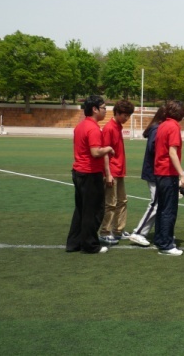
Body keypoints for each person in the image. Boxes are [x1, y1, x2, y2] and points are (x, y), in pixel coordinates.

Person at [65, 95, 114, 254]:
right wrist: (108, 149)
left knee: (81, 210)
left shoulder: (80, 126)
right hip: (89, 174)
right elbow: (95, 152)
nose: (105, 111)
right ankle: (90, 245)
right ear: (95, 109)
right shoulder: (93, 129)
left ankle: (74, 243)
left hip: (79, 172)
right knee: (93, 211)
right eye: (104, 108)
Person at [153, 100, 184, 255]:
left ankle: (160, 238)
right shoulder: (173, 127)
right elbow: (172, 152)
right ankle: (166, 244)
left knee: (162, 208)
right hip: (168, 173)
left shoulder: (162, 125)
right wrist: (182, 175)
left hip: (160, 172)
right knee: (169, 209)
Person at [99, 99, 135, 245]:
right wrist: (108, 174)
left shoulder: (118, 126)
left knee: (122, 201)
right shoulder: (109, 128)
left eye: (129, 115)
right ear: (117, 113)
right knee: (110, 203)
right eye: (125, 115)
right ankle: (105, 232)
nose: (127, 118)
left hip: (119, 170)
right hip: (112, 171)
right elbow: (105, 153)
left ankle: (118, 230)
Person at [129, 107, 165, 247]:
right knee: (155, 204)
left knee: (159, 203)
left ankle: (159, 232)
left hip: (155, 171)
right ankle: (138, 232)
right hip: (154, 172)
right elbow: (153, 148)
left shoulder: (156, 128)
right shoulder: (156, 129)